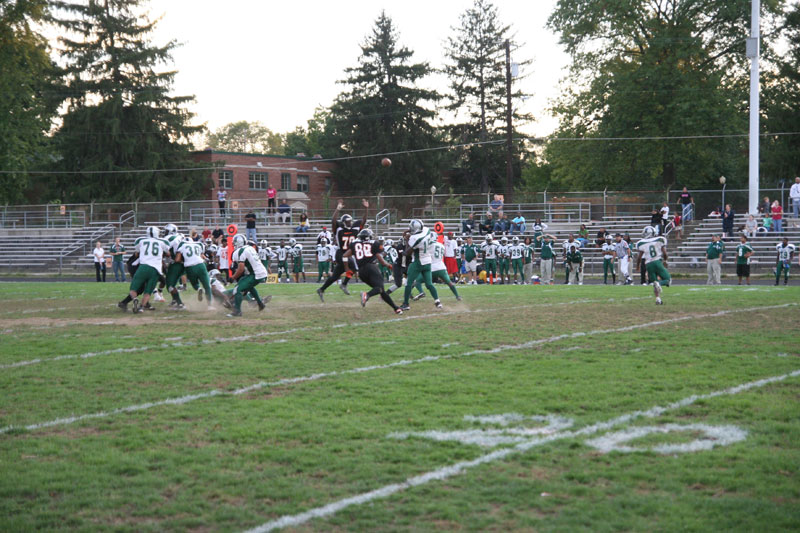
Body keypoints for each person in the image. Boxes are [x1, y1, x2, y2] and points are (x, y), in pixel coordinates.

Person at [316, 199, 369, 301]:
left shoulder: (355, 228)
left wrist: (366, 208)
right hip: (340, 253)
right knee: (353, 266)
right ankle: (344, 284)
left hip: (348, 254)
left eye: (350, 221)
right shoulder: (339, 229)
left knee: (335, 276)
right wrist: (337, 209)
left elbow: (364, 220)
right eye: (348, 221)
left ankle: (321, 289)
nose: (350, 223)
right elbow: (333, 221)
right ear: (344, 222)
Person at [341, 228, 404, 314]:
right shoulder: (375, 243)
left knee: (380, 289)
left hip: (361, 272)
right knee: (379, 288)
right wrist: (389, 265)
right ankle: (366, 295)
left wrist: (347, 269)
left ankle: (395, 308)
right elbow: (381, 259)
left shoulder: (354, 244)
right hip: (371, 267)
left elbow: (344, 256)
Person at [118, 227, 168, 313]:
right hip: (143, 266)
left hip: (141, 266)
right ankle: (138, 305)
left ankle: (137, 302)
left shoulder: (141, 241)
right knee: (143, 289)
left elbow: (137, 252)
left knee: (138, 288)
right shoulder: (162, 243)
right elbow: (167, 254)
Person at [225, 234, 271, 317]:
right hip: (261, 271)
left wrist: (232, 278)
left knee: (237, 289)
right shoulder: (250, 248)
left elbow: (241, 269)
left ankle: (237, 312)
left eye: (234, 243)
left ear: (238, 243)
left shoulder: (239, 252)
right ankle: (260, 304)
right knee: (248, 286)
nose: (233, 244)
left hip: (256, 274)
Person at [401, 219, 442, 310]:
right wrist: (409, 232)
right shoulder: (426, 230)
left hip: (418, 262)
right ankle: (437, 302)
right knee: (429, 284)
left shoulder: (414, 239)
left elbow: (407, 252)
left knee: (408, 283)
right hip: (428, 261)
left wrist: (406, 239)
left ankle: (406, 304)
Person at [173, 237, 215, 311]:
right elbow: (202, 256)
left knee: (195, 283)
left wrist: (183, 260)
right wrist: (206, 259)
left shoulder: (182, 245)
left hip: (190, 267)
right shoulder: (198, 244)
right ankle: (210, 306)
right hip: (201, 265)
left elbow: (177, 260)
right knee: (207, 285)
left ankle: (198, 288)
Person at [635, 226, 671, 305]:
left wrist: (637, 266)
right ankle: (660, 284)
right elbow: (664, 253)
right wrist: (665, 260)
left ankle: (658, 299)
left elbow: (639, 257)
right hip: (657, 261)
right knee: (668, 280)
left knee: (655, 282)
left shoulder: (641, 243)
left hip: (648, 264)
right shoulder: (660, 239)